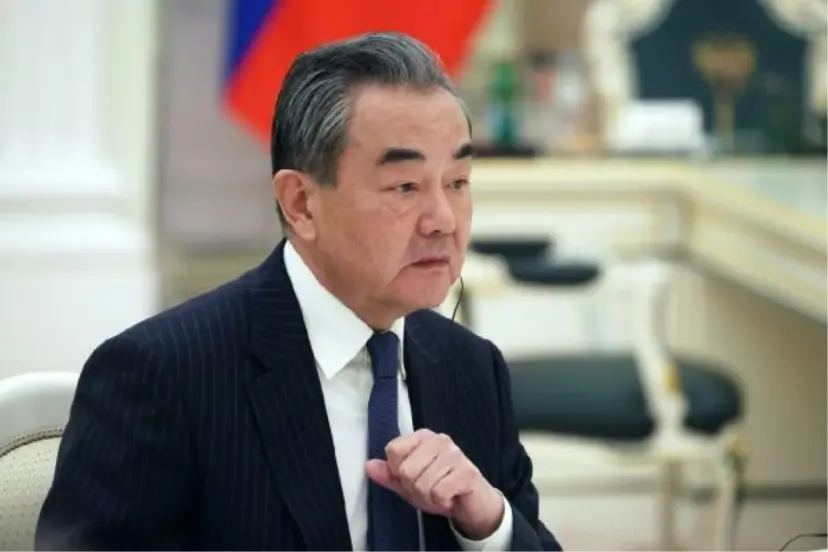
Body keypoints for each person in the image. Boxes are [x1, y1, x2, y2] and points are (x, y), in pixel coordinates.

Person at [36, 32, 562, 552]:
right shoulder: (163, 375)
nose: (444, 220)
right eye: (405, 186)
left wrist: (489, 526)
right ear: (301, 203)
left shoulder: (472, 369)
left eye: (458, 182)